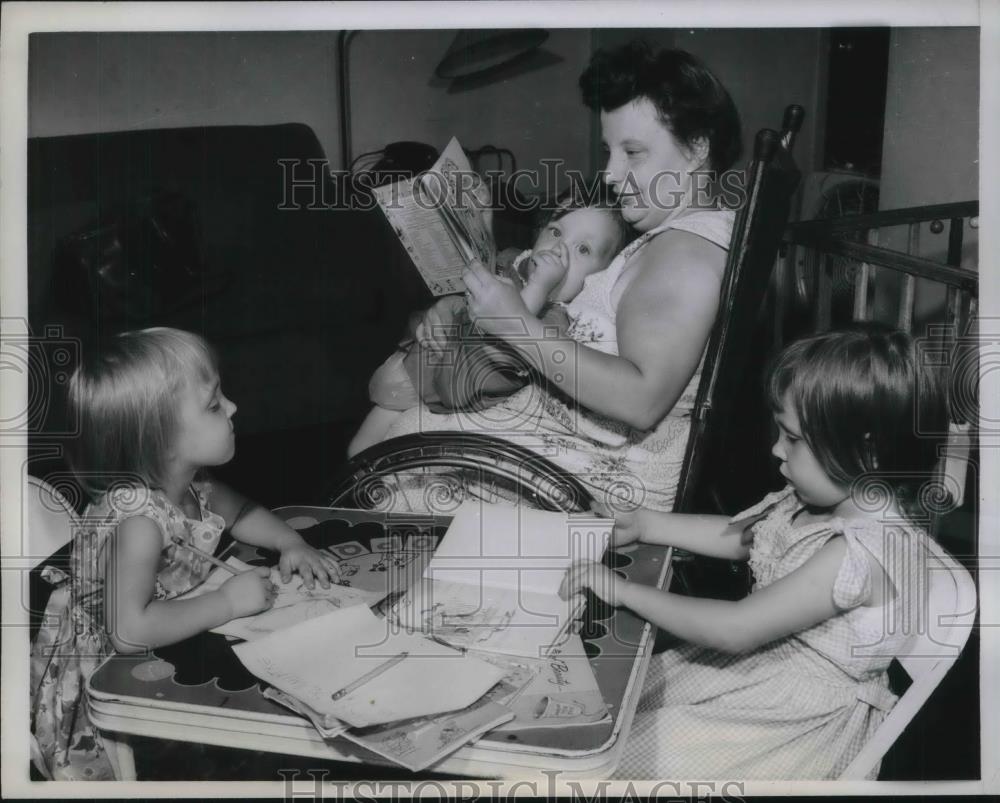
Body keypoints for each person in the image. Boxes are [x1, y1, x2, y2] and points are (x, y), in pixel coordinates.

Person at [560, 325, 950, 779]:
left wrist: (622, 590)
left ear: (868, 452)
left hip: (786, 724)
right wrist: (649, 523)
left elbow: (736, 628)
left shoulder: (859, 555)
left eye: (793, 438)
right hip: (753, 674)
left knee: (614, 767)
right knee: (607, 716)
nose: (775, 449)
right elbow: (747, 538)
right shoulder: (823, 499)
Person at [381, 41, 743, 512]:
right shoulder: (680, 235)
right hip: (579, 443)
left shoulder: (685, 252)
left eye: (633, 152)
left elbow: (642, 399)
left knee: (395, 454)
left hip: (607, 476)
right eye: (609, 150)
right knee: (413, 424)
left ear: (697, 149)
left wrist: (516, 325)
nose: (611, 174)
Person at [30, 327, 341, 780]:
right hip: (110, 670)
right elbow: (130, 632)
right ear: (162, 441)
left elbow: (242, 512)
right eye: (214, 404)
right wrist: (228, 603)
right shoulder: (139, 524)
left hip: (170, 630)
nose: (232, 407)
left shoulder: (193, 484)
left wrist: (291, 542)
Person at [348, 196, 633, 457]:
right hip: (417, 366)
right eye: (556, 231)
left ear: (601, 277)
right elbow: (482, 270)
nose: (558, 250)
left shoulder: (555, 322)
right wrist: (480, 220)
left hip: (445, 389)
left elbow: (502, 336)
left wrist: (539, 286)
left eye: (583, 248)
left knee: (368, 459)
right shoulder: (516, 262)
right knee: (357, 454)